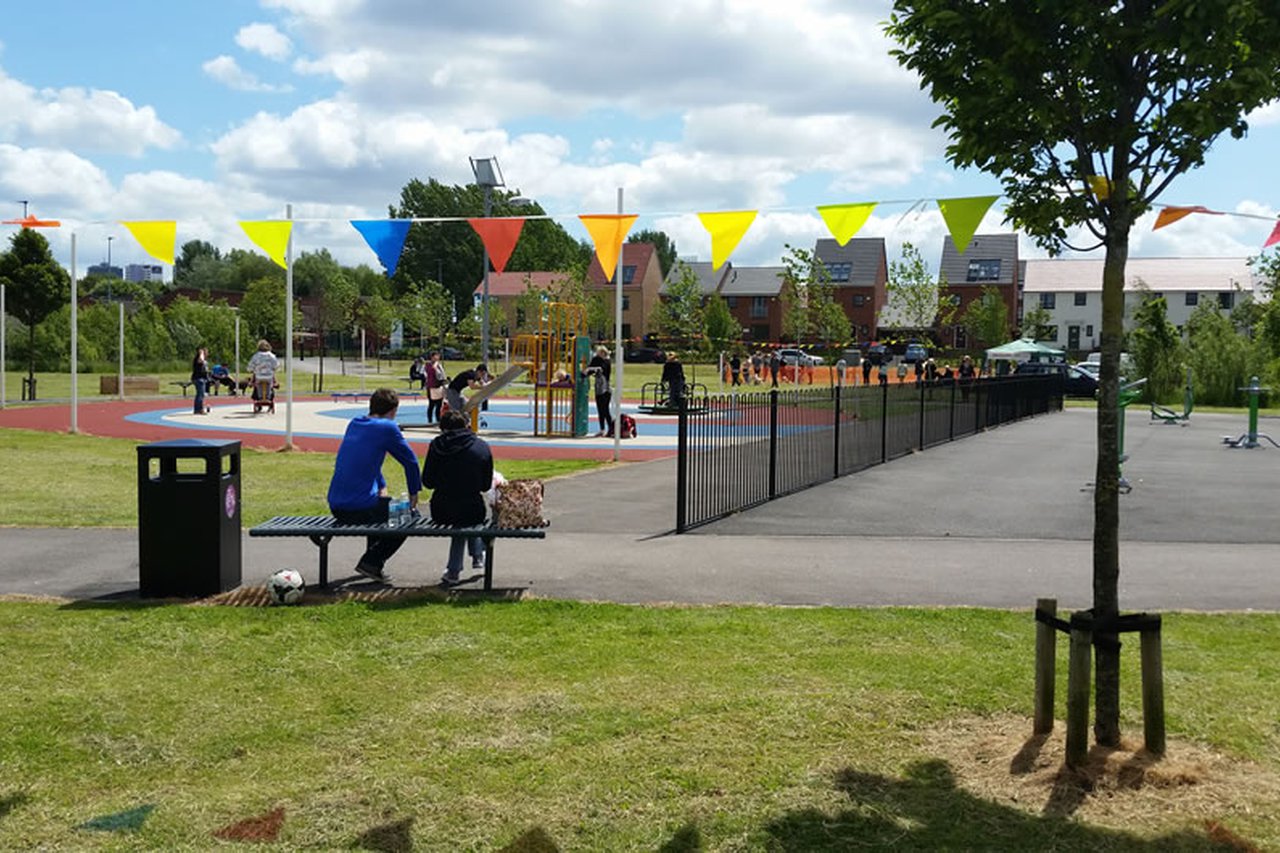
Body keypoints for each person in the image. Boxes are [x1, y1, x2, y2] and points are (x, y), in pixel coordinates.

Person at [326, 388, 421, 582]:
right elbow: (411, 462)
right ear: (393, 411)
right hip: (357, 508)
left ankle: (371, 565)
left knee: (380, 505)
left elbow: (366, 460)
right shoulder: (387, 427)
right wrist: (414, 495)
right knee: (409, 517)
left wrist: (382, 485)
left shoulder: (355, 423)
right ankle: (372, 561)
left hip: (336, 505)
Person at [422, 409, 493, 586]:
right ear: (467, 426)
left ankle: (456, 569)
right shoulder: (481, 446)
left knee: (460, 514)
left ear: (442, 428)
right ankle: (476, 557)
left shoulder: (436, 446)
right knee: (467, 515)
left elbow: (428, 481)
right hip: (472, 508)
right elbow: (485, 485)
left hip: (441, 509)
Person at [584, 345, 615, 437]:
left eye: (599, 352)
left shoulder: (606, 361)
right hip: (598, 388)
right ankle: (602, 429)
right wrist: (586, 372)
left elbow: (601, 369)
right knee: (600, 410)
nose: (597, 354)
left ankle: (611, 429)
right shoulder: (597, 360)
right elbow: (589, 371)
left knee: (605, 410)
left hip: (605, 388)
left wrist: (591, 369)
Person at [247, 340, 279, 408]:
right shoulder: (272, 356)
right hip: (269, 375)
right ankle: (268, 397)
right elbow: (276, 366)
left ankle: (260, 397)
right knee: (269, 385)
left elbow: (250, 366)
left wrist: (251, 369)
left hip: (259, 375)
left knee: (258, 385)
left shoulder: (256, 356)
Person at [424, 351, 447, 424]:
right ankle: (430, 420)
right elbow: (432, 372)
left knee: (439, 405)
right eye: (435, 356)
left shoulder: (439, 365)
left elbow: (442, 375)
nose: (437, 358)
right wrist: (435, 366)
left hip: (439, 387)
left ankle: (438, 420)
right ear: (432, 357)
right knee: (431, 404)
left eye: (438, 356)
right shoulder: (428, 365)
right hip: (431, 387)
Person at [191, 347, 211, 415]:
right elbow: (200, 360)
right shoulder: (198, 359)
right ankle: (199, 409)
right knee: (200, 395)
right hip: (198, 379)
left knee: (200, 394)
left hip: (203, 378)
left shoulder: (204, 361)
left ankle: (197, 409)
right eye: (206, 352)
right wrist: (201, 353)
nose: (207, 354)